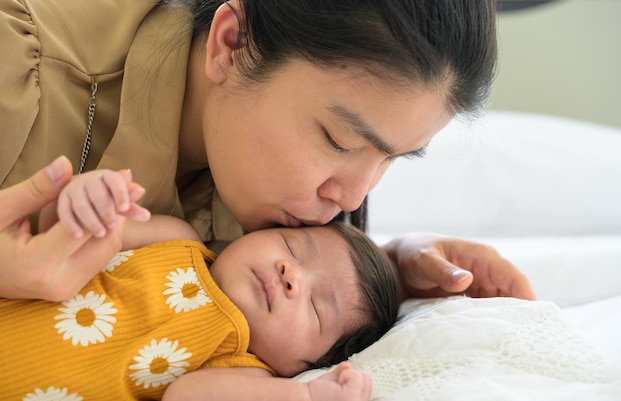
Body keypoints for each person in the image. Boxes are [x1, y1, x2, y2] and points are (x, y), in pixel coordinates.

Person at [0, 0, 536, 302]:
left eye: (391, 158)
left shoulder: (249, 178)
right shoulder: (17, 58)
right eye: (340, 140)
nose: (349, 195)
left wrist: (377, 271)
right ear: (230, 44)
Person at [0, 168, 400, 401]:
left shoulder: (243, 368)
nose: (290, 274)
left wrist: (305, 396)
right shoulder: (176, 239)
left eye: (317, 307)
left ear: (313, 363)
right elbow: (61, 242)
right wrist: (87, 199)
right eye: (292, 246)